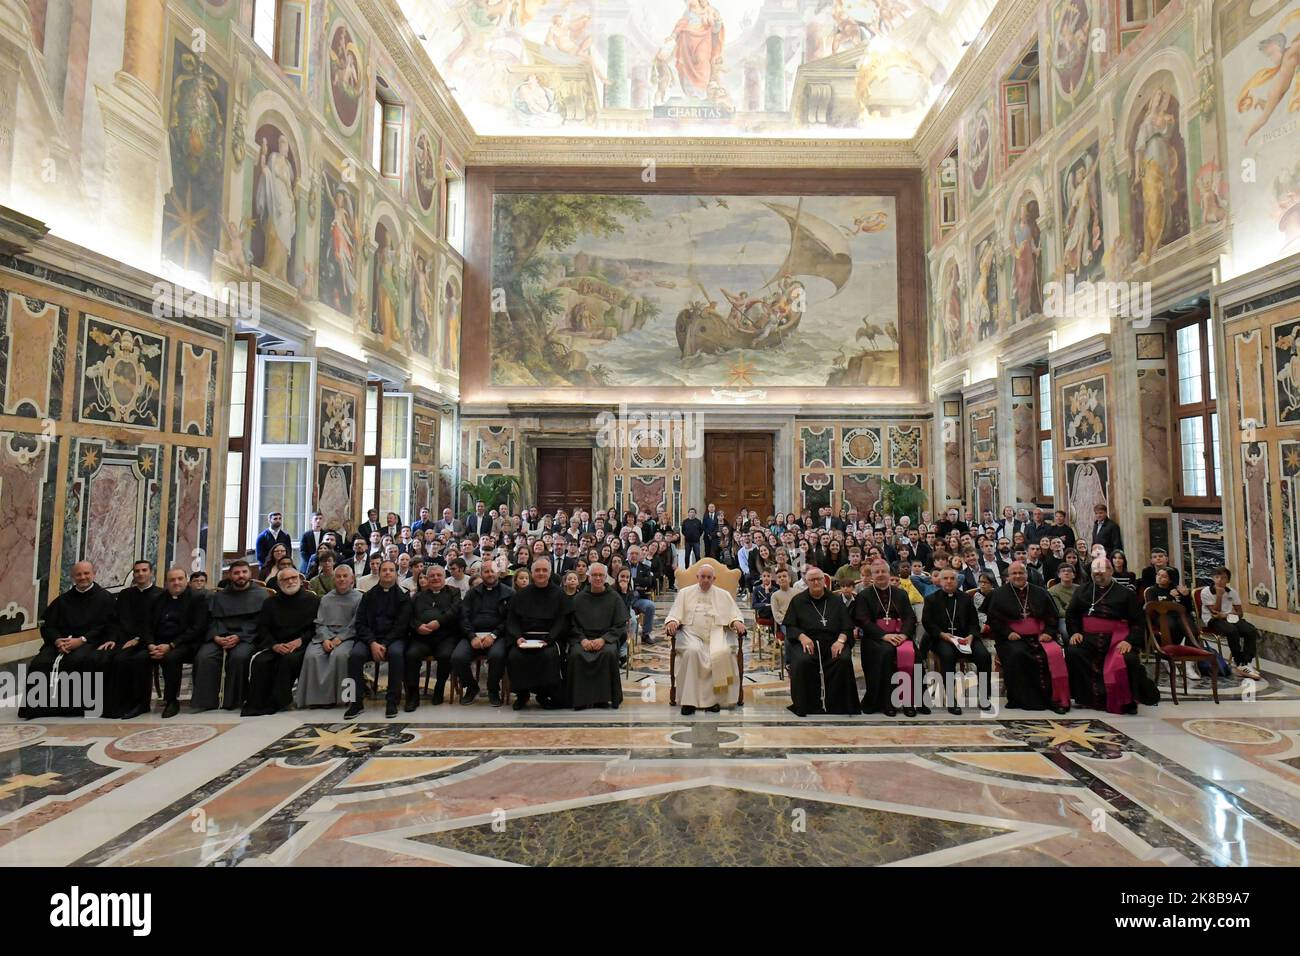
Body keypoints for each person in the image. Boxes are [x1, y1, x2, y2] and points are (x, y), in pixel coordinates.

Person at [19, 561, 115, 718]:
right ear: (72, 577)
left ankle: (73, 709)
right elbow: (48, 625)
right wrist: (57, 640)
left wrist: (82, 640)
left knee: (76, 660)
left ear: (93, 574)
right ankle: (39, 709)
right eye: (78, 574)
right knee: (39, 663)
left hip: (90, 641)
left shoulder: (105, 598)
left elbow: (107, 626)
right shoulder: (63, 600)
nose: (82, 577)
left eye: (86, 573)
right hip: (62, 642)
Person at [1065, 557, 1156, 714]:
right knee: (1074, 652)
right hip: (1088, 637)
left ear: (1111, 571)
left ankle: (1124, 701)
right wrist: (1075, 633)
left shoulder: (1126, 593)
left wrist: (1129, 641)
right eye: (1095, 570)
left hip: (1117, 638)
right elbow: (1072, 614)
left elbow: (1138, 622)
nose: (1098, 573)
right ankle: (1088, 698)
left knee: (1128, 658)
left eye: (1102, 570)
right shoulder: (1082, 590)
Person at [664, 563, 747, 715]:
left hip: (717, 634)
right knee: (692, 652)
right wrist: (672, 621)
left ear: (714, 579)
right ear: (697, 577)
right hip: (691, 634)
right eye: (703, 577)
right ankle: (689, 702)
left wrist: (736, 621)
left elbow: (734, 614)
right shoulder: (684, 593)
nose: (706, 580)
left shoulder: (724, 594)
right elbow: (675, 614)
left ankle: (714, 701)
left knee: (721, 653)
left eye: (709, 577)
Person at [988, 562, 1070, 714]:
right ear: (1008, 576)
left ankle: (1054, 698)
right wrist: (1007, 633)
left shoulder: (1040, 592)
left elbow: (1052, 616)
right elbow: (993, 620)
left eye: (1021, 573)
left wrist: (1048, 632)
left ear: (1027, 574)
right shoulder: (998, 594)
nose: (1018, 576)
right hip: (1010, 638)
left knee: (1053, 654)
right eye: (1014, 573)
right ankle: (1022, 699)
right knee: (1018, 654)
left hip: (1040, 636)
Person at [192, 560, 269, 711]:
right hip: (220, 636)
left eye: (244, 572)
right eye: (236, 573)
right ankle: (206, 702)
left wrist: (240, 636)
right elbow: (212, 619)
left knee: (239, 657)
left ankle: (233, 701)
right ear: (229, 575)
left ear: (250, 574)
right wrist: (216, 636)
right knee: (204, 656)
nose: (241, 576)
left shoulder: (261, 595)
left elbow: (261, 621)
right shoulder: (220, 596)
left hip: (247, 637)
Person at [783, 567, 859, 716]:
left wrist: (841, 641)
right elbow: (790, 626)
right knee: (803, 661)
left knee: (842, 659)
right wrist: (802, 637)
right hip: (807, 642)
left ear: (824, 581)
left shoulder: (836, 601)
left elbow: (847, 626)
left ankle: (839, 705)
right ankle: (807, 705)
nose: (816, 582)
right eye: (812, 580)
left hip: (833, 642)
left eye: (818, 579)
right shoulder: (798, 601)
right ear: (806, 582)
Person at [242, 568, 318, 716]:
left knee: (288, 661)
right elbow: (263, 628)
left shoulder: (313, 600)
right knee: (260, 662)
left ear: (300, 580)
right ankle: (259, 703)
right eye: (286, 579)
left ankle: (280, 701)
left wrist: (300, 641)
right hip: (276, 643)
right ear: (278, 583)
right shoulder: (270, 603)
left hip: (301, 644)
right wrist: (274, 645)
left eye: (294, 578)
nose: (290, 581)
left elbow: (316, 627)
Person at [853, 558, 924, 716]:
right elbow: (863, 621)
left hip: (900, 635)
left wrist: (905, 635)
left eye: (883, 571)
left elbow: (910, 617)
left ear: (889, 573)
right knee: (886, 653)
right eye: (876, 572)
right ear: (871, 575)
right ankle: (887, 703)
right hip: (875, 638)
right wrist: (884, 636)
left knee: (915, 656)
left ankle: (910, 701)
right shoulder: (864, 596)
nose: (880, 575)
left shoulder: (900, 593)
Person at [347, 559, 413, 719]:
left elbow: (401, 625)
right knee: (354, 656)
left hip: (393, 639)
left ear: (396, 573)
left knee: (397, 655)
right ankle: (354, 703)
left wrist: (383, 644)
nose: (388, 573)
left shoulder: (403, 596)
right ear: (379, 573)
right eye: (385, 570)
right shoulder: (368, 595)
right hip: (369, 639)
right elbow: (360, 623)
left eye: (391, 570)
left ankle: (392, 701)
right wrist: (372, 643)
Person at [922, 568, 991, 715]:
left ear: (957, 581)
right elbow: (928, 623)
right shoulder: (931, 599)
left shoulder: (965, 598)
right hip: (942, 639)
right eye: (945, 578)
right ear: (939, 582)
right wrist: (942, 634)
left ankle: (984, 696)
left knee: (983, 655)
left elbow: (974, 622)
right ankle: (951, 699)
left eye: (952, 578)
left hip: (965, 638)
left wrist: (972, 636)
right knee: (947, 656)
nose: (948, 581)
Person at [101, 560, 163, 719]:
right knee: (106, 658)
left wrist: (138, 639)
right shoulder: (125, 594)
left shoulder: (161, 595)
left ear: (151, 573)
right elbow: (115, 620)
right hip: (124, 639)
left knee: (134, 660)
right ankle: (115, 705)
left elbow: (159, 624)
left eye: (144, 570)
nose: (140, 574)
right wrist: (112, 638)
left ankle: (140, 705)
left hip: (149, 642)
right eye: (137, 571)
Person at [297, 565, 364, 709]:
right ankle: (316, 699)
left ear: (352, 579)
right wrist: (325, 638)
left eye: (345, 576)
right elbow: (319, 622)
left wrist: (340, 638)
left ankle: (342, 698)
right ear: (334, 579)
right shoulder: (326, 599)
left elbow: (357, 623)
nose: (341, 579)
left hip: (348, 637)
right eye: (338, 576)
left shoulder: (359, 598)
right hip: (325, 636)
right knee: (312, 656)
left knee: (339, 656)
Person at [504, 559, 567, 710]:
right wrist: (518, 637)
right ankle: (522, 695)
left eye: (544, 570)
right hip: (525, 638)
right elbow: (512, 620)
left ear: (550, 573)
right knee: (515, 655)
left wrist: (550, 639)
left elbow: (562, 620)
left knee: (547, 656)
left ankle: (543, 695)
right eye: (537, 570)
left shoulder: (559, 594)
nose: (541, 573)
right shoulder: (521, 595)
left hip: (549, 639)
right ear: (532, 573)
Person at [147, 567, 209, 719]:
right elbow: (147, 625)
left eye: (180, 579)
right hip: (159, 643)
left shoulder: (197, 598)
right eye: (172, 580)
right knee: (137, 657)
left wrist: (171, 645)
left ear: (186, 580)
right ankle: (139, 701)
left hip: (186, 643)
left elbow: (197, 628)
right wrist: (150, 644)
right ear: (166, 583)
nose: (176, 583)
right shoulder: (158, 598)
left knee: (170, 658)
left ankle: (171, 701)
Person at [567, 563, 628, 710]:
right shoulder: (579, 599)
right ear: (589, 577)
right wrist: (582, 640)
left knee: (608, 653)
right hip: (583, 639)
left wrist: (604, 639)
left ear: (606, 577)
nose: (598, 578)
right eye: (595, 575)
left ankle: (604, 698)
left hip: (606, 639)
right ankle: (580, 699)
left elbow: (620, 625)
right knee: (576, 654)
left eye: (601, 575)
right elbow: (572, 625)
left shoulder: (614, 598)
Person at [456, 563, 514, 706]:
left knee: (497, 656)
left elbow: (510, 620)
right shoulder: (472, 593)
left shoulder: (509, 593)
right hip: (474, 635)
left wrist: (493, 635)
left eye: (492, 571)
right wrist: (471, 636)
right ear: (481, 574)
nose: (489, 574)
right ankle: (471, 687)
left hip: (498, 636)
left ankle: (493, 689)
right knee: (458, 657)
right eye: (486, 571)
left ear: (498, 573)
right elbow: (463, 617)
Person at [409, 564, 462, 708]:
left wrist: (439, 622)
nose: (435, 578)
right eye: (432, 576)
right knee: (411, 655)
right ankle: (413, 696)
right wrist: (418, 626)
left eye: (439, 575)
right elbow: (409, 615)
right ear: (427, 578)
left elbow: (455, 611)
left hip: (446, 636)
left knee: (445, 655)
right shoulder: (418, 596)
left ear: (445, 577)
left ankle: (439, 688)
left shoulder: (454, 592)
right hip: (422, 638)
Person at [1199, 566, 1263, 680]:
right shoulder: (1206, 592)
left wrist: (1227, 615)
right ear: (1213, 578)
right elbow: (1215, 612)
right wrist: (1219, 595)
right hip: (1213, 620)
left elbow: (1240, 613)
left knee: (1250, 630)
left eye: (1223, 578)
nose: (1219, 580)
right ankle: (1239, 662)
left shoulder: (1232, 592)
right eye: (1217, 577)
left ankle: (1245, 662)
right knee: (1232, 631)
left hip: (1229, 617)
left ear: (1228, 580)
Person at [626, 545, 658, 645]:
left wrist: (632, 582)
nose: (634, 556)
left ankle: (645, 634)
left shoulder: (645, 567)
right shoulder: (623, 566)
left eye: (637, 554)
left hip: (638, 598)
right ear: (627, 555)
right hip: (625, 598)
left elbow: (648, 582)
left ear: (640, 556)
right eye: (632, 553)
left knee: (650, 606)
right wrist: (638, 584)